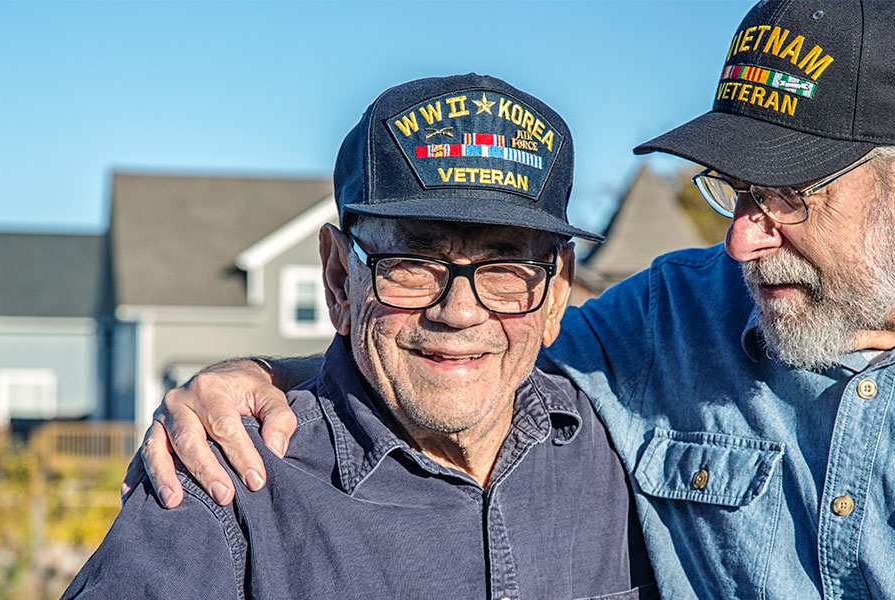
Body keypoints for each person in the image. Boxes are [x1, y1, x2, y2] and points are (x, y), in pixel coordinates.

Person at [135, 1, 895, 598]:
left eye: (788, 198)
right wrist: (255, 375)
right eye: (733, 193)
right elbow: (469, 347)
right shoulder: (673, 316)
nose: (741, 240)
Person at [64, 73, 656, 599]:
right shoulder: (225, 490)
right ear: (340, 276)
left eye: (504, 269)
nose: (458, 312)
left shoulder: (628, 451)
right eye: (412, 262)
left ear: (557, 292)